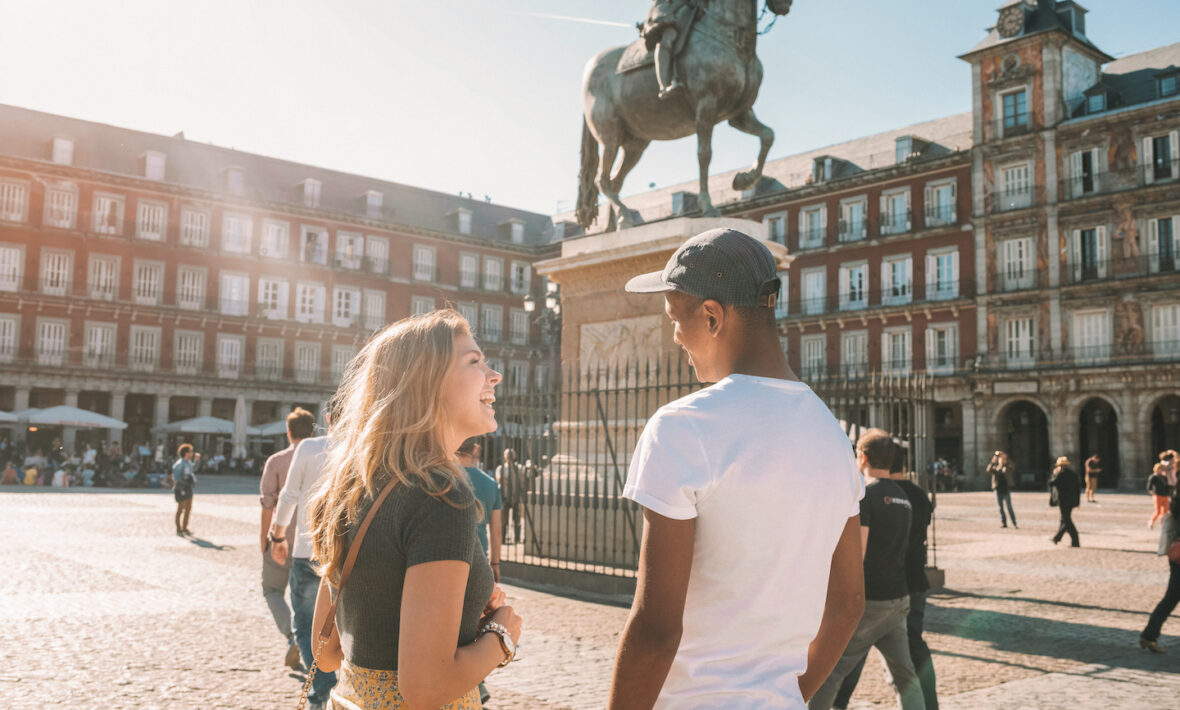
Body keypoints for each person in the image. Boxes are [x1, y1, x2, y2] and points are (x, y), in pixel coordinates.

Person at [610, 228, 866, 708]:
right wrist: (787, 694)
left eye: (674, 318)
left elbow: (657, 628)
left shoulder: (684, 427)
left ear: (711, 316)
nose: (674, 337)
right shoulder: (833, 435)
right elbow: (849, 603)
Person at [304, 310, 522, 709]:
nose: (494, 375)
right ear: (428, 381)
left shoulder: (354, 489)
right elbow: (426, 688)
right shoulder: (442, 495)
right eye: (474, 362)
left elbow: (327, 652)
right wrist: (501, 635)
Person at [810, 429, 925, 710]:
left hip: (871, 600)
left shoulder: (867, 496)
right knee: (905, 676)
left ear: (862, 457)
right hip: (898, 598)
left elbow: (856, 555)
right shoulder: (903, 496)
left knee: (832, 670)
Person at [832, 443, 938, 710]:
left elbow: (861, 551)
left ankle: (835, 703)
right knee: (908, 666)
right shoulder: (911, 495)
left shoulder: (870, 494)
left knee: (841, 663)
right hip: (906, 587)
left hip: (875, 591)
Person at [270, 428, 339, 707]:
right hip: (350, 555)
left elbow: (288, 496)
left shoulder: (309, 448)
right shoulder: (368, 445)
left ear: (329, 417)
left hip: (309, 550)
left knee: (305, 623)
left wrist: (277, 536)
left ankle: (321, 687)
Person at [259, 407, 316, 672]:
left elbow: (268, 505)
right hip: (312, 542)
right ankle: (306, 639)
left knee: (272, 590)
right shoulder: (322, 458)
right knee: (306, 599)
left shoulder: (276, 461)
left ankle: (291, 633)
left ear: (288, 431)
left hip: (281, 539)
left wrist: (266, 540)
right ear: (313, 431)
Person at [456, 436, 504, 706]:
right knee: (475, 623)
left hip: (451, 558)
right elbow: (495, 529)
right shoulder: (489, 484)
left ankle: (473, 682)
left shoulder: (447, 477)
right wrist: (496, 563)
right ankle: (476, 682)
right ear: (475, 449)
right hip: (480, 562)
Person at [1139, 481, 1180, 653]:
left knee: (1171, 597)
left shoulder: (1176, 498)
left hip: (1176, 553)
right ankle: (1148, 635)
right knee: (1171, 597)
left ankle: (1149, 635)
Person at [639, 0, 695, 100]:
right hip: (666, 16)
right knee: (668, 37)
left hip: (689, 11)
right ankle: (664, 86)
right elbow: (660, 10)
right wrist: (667, 18)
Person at [495, 448, 530, 544]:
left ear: (515, 456)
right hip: (504, 497)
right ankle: (502, 539)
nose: (509, 457)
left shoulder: (519, 468)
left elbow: (523, 479)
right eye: (508, 455)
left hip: (516, 497)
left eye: (511, 455)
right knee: (504, 520)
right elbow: (500, 479)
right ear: (504, 456)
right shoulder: (501, 468)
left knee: (517, 519)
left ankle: (517, 539)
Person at [1049, 456, 1081, 547]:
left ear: (1060, 466)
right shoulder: (1073, 474)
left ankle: (1076, 541)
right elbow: (1078, 489)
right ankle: (1057, 538)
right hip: (1072, 501)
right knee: (1064, 520)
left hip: (1063, 501)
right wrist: (1077, 503)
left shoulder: (1060, 474)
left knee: (1067, 521)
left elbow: (1051, 483)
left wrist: (1054, 474)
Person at [172, 444, 200, 536]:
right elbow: (176, 477)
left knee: (188, 508)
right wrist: (185, 482)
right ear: (185, 453)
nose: (192, 453)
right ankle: (178, 528)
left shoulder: (188, 462)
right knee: (180, 509)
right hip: (181, 487)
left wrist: (196, 460)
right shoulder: (179, 464)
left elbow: (193, 468)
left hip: (188, 487)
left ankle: (184, 528)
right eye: (190, 451)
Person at [987, 451, 1017, 528]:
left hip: (1006, 489)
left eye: (1001, 459)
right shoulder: (995, 467)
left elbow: (1013, 466)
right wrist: (992, 461)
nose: (1001, 460)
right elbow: (988, 470)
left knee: (1009, 507)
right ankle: (1004, 523)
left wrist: (1006, 458)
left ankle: (1014, 522)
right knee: (1000, 508)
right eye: (999, 459)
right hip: (997, 489)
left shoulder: (1007, 467)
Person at [1149, 463, 1171, 530]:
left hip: (1165, 495)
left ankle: (1163, 525)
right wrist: (1154, 493)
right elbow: (1149, 487)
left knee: (1165, 511)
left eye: (1162, 469)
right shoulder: (1153, 477)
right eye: (1160, 469)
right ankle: (1151, 522)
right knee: (1157, 511)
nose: (1161, 470)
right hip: (1157, 495)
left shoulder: (1164, 477)